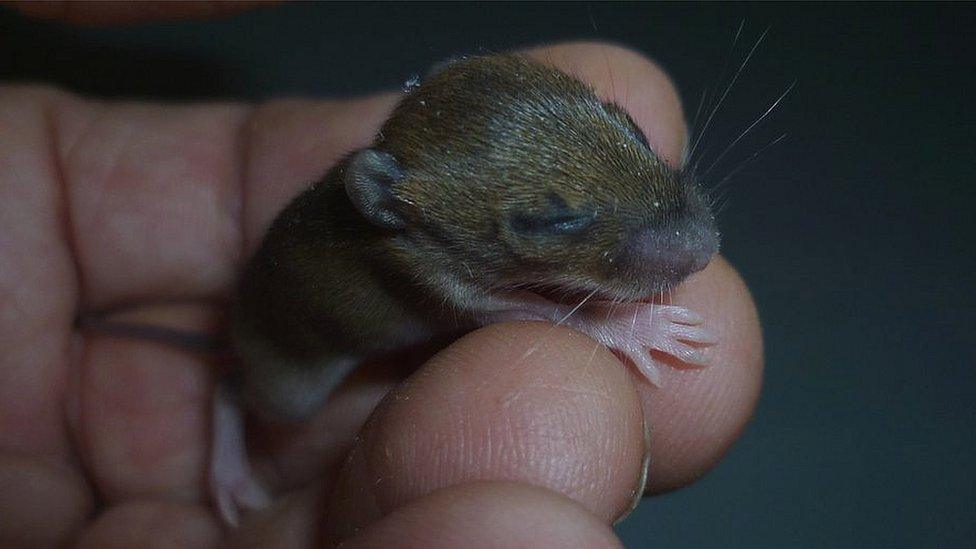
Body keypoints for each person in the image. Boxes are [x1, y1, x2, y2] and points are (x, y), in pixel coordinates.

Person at [0, 3, 763, 547]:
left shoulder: (417, 205)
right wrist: (607, 319)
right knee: (289, 399)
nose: (690, 241)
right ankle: (229, 406)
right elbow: (484, 304)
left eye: (623, 133)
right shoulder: (413, 236)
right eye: (550, 220)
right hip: (288, 341)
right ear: (394, 206)